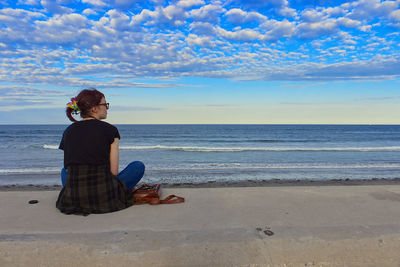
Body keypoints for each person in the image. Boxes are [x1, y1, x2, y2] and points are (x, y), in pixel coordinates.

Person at [56, 88, 145, 215]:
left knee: (64, 171)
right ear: (94, 108)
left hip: (75, 196)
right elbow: (113, 172)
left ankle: (78, 194)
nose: (107, 108)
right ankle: (107, 193)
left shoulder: (68, 131)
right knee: (138, 166)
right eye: (105, 104)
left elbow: (68, 167)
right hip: (103, 194)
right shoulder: (110, 130)